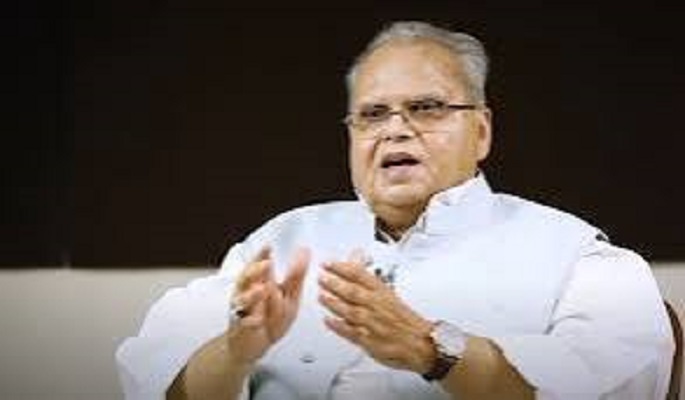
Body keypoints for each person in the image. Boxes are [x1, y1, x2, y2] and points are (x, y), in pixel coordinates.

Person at [116, 21, 674, 400]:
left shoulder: (578, 257)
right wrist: (236, 351)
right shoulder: (281, 244)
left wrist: (434, 351)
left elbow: (613, 385)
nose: (396, 129)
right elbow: (153, 378)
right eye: (372, 114)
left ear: (481, 131)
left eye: (426, 108)